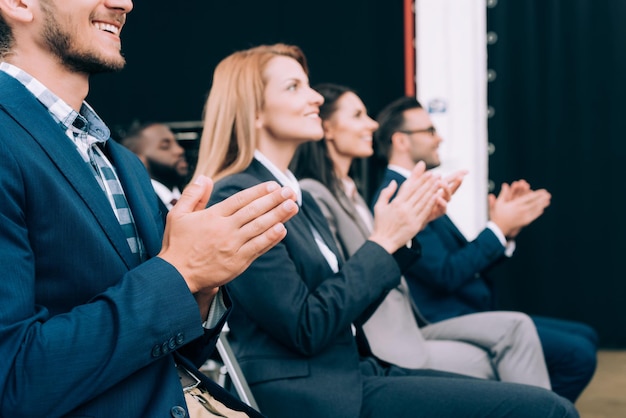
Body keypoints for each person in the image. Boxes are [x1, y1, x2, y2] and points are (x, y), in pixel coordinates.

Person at [195, 43, 578, 418]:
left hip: (355, 373)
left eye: (308, 84)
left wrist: (406, 232)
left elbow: (346, 309)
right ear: (254, 111)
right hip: (317, 395)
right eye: (294, 87)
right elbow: (305, 327)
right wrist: (384, 240)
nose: (314, 97)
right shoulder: (240, 193)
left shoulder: (295, 195)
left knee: (535, 402)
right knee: (550, 409)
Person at [0, 1, 299, 417]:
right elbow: (12, 380)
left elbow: (175, 349)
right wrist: (182, 272)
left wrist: (203, 286)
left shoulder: (123, 162)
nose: (124, 3)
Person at [290, 82, 551, 388]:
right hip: (383, 338)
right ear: (327, 129)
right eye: (359, 115)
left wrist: (419, 226)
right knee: (509, 358)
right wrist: (496, 229)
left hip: (411, 324)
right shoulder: (318, 195)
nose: (373, 125)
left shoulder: (352, 195)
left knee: (520, 332)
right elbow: (346, 279)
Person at [371, 95, 598, 403]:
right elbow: (445, 274)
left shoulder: (412, 188)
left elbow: (454, 263)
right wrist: (497, 230)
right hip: (443, 318)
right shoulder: (398, 196)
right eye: (429, 130)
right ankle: (539, 408)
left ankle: (536, 407)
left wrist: (505, 233)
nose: (439, 137)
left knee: (585, 336)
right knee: (578, 354)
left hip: (468, 310)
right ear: (401, 141)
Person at [120, 122, 189, 211]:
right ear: (137, 160)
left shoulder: (197, 198)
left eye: (177, 143)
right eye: (165, 146)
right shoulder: (136, 208)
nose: (180, 150)